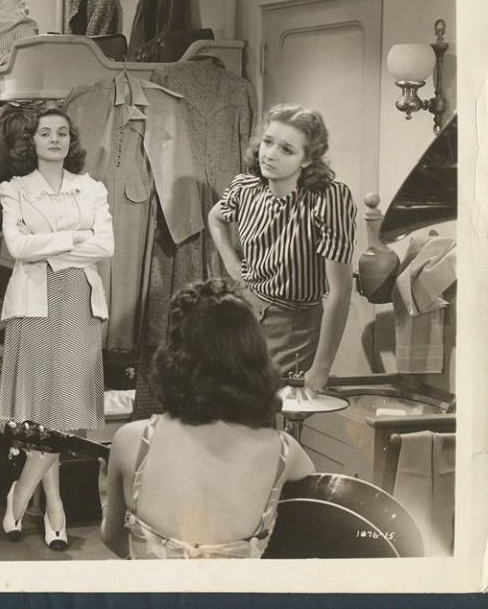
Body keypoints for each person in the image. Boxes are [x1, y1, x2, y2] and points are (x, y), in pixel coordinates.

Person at [100, 279, 315, 559]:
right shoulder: (287, 454)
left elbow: (116, 541)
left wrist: (105, 495)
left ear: (175, 358)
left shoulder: (132, 441)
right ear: (255, 360)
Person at [0, 110, 114, 551]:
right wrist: (73, 237)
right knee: (44, 412)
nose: (55, 139)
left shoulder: (92, 188)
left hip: (79, 303)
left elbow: (106, 247)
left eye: (63, 132)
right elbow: (18, 248)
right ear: (32, 141)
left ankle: (19, 495)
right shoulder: (15, 189)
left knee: (66, 411)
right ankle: (55, 507)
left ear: (71, 140)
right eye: (46, 132)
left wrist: (49, 247)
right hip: (34, 303)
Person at [208, 105, 357, 393]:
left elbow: (341, 290)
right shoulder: (245, 188)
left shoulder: (327, 200)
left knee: (260, 411)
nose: (270, 154)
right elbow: (216, 218)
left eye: (287, 149)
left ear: (308, 159)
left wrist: (322, 367)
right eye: (267, 142)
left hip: (294, 325)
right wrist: (232, 265)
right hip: (245, 311)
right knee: (226, 405)